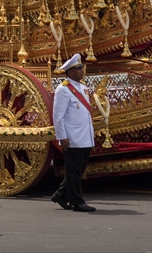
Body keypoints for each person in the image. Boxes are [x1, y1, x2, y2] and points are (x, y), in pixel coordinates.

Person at [51, 54, 96, 212]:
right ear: (70, 72)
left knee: (77, 170)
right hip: (73, 137)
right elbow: (58, 116)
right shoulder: (63, 89)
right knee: (75, 171)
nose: (81, 71)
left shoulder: (83, 88)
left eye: (81, 68)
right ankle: (77, 201)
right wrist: (62, 137)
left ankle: (60, 194)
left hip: (85, 135)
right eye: (78, 69)